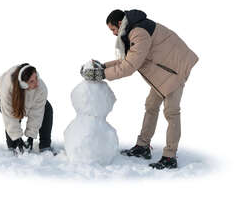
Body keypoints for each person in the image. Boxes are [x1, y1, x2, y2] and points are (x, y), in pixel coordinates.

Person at [81, 9, 199, 169]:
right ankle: (143, 146)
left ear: (120, 23)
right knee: (151, 106)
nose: (113, 34)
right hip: (165, 72)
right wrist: (103, 67)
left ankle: (170, 156)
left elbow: (129, 66)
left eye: (113, 29)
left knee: (171, 112)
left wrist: (102, 74)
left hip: (175, 70)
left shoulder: (138, 33)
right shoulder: (132, 31)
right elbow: (126, 60)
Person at [0, 63, 54, 154]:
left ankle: (45, 146)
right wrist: (17, 138)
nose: (37, 83)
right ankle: (12, 147)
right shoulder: (8, 89)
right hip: (1, 95)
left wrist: (31, 136)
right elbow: (9, 118)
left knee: (47, 109)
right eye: (32, 81)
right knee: (16, 115)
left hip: (31, 98)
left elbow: (36, 113)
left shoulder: (41, 88)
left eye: (36, 78)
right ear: (23, 84)